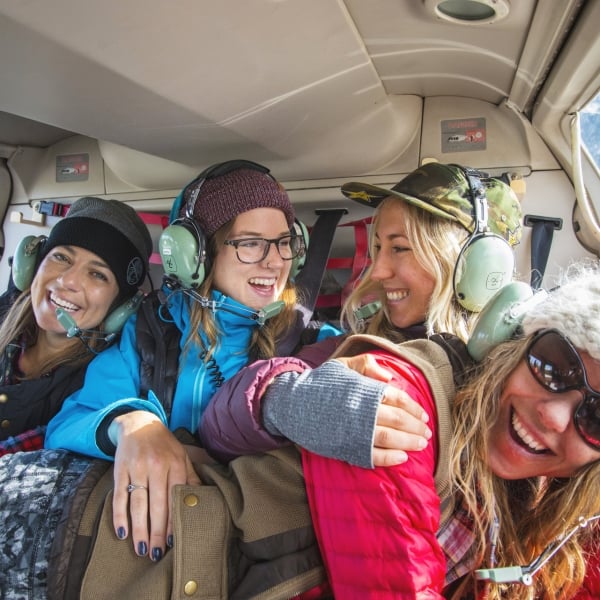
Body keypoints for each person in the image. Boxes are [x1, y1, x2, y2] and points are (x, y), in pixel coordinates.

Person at [41, 159, 344, 564]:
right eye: (251, 242)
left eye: (285, 241)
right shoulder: (150, 331)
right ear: (195, 255)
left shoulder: (312, 343)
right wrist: (132, 423)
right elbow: (65, 425)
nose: (275, 262)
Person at [199, 161, 523, 468]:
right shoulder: (361, 350)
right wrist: (281, 400)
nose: (378, 271)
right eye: (378, 248)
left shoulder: (532, 369)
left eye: (399, 248)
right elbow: (216, 426)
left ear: (478, 266)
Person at [0, 195, 152, 451]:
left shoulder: (95, 389)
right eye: (62, 258)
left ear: (121, 308)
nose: (67, 281)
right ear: (34, 265)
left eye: (97, 274)